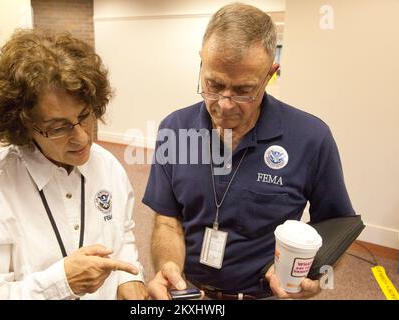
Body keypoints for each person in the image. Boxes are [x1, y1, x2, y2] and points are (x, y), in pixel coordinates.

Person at [144, 3, 355, 300]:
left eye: (243, 90)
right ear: (200, 64)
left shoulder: (311, 138)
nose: (225, 104)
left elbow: (337, 227)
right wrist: (167, 266)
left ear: (270, 75)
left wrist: (316, 274)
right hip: (190, 295)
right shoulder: (174, 129)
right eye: (213, 85)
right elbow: (167, 221)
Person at [0, 29, 148, 300]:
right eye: (58, 127)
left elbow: (121, 233)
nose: (81, 137)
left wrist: (130, 277)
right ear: (22, 126)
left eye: (85, 116)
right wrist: (61, 282)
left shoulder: (108, 167)